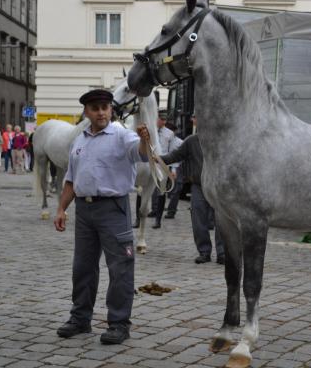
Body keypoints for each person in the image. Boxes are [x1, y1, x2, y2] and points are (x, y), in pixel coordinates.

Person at [53, 89, 150, 345]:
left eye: (105, 107)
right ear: (86, 112)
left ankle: (118, 324)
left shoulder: (121, 134)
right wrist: (62, 208)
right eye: (95, 108)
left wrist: (144, 140)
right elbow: (71, 179)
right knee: (82, 267)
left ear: (111, 110)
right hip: (84, 211)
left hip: (113, 209)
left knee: (120, 268)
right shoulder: (80, 140)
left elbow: (140, 152)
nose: (101, 112)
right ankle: (80, 318)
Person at [160, 133, 225, 265]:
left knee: (222, 221)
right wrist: (158, 158)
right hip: (198, 185)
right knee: (198, 219)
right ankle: (204, 252)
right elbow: (175, 156)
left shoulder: (222, 137)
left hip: (218, 186)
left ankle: (222, 253)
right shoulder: (192, 141)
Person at [146, 109, 178, 229]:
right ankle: (139, 219)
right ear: (156, 119)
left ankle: (158, 219)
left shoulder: (170, 134)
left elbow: (173, 152)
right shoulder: (149, 132)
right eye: (162, 119)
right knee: (142, 191)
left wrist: (173, 169)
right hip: (149, 164)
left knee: (161, 192)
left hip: (163, 165)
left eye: (165, 120)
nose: (163, 122)